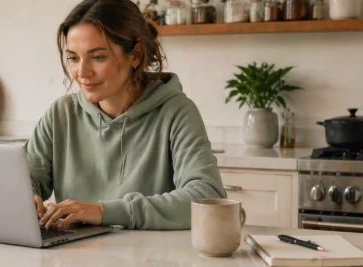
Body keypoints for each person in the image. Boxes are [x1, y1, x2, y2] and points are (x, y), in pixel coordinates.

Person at [26, 0, 227, 230]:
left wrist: (103, 212)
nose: (82, 72)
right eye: (73, 58)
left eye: (98, 57)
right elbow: (22, 180)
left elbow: (207, 197)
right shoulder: (61, 114)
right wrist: (24, 198)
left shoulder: (177, 112)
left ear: (136, 56)